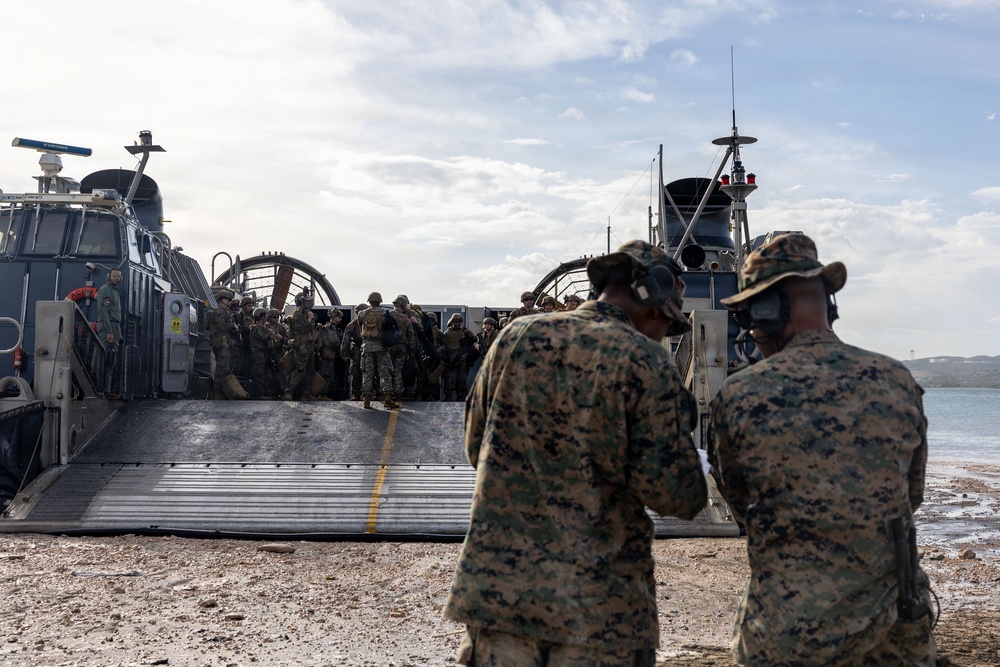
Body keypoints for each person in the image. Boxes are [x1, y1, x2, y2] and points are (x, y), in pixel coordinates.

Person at [444, 240, 708, 666]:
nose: (662, 334)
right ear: (652, 297)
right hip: (598, 610)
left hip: (501, 598)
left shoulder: (516, 337)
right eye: (666, 323)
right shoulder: (643, 360)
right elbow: (676, 495)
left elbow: (477, 449)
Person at [707, 233, 937, 667]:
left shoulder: (741, 394)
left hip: (787, 633)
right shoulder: (896, 380)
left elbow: (739, 503)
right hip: (894, 629)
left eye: (750, 316)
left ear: (768, 311)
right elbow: (912, 495)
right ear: (829, 304)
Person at [359, 292, 398, 409]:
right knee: (385, 373)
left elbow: (359, 324)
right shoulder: (386, 314)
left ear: (369, 301)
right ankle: (387, 399)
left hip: (367, 347)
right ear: (380, 301)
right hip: (381, 346)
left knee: (368, 373)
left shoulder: (362, 314)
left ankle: (366, 400)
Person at [284, 291, 323, 400]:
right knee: (300, 369)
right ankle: (288, 391)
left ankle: (305, 393)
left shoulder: (306, 314)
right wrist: (310, 319)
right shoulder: (297, 315)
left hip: (309, 345)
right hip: (302, 346)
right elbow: (302, 329)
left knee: (309, 371)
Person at [205, 289, 243, 399]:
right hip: (221, 343)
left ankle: (222, 391)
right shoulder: (219, 312)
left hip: (225, 342)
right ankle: (217, 392)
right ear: (222, 300)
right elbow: (221, 326)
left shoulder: (225, 312)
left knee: (225, 367)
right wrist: (232, 326)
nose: (230, 302)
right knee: (221, 369)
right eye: (229, 300)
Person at [96, 268, 123, 399]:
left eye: (119, 276)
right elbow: (103, 311)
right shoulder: (106, 290)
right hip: (109, 326)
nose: (117, 278)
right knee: (106, 358)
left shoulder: (115, 291)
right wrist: (109, 331)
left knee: (111, 359)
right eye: (114, 276)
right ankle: (102, 390)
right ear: (109, 277)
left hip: (115, 326)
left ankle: (107, 389)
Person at [438, 313, 477, 402]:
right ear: (452, 322)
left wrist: (470, 333)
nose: (457, 324)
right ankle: (448, 397)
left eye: (459, 322)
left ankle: (462, 398)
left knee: (461, 380)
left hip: (462, 359)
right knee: (450, 380)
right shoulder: (447, 333)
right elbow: (444, 345)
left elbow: (474, 340)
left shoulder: (463, 332)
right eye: (455, 322)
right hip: (451, 359)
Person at [387, 295, 417, 404]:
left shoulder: (387, 316)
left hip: (388, 348)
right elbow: (411, 338)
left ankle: (387, 394)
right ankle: (399, 394)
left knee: (387, 371)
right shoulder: (406, 319)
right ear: (403, 306)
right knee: (397, 371)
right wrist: (410, 352)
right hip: (401, 348)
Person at [341, 303, 369, 401]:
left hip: (366, 349)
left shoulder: (368, 322)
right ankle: (356, 394)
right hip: (358, 350)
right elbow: (346, 340)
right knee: (356, 372)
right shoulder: (353, 324)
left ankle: (366, 393)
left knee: (368, 371)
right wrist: (345, 354)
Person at [316, 309, 344, 398]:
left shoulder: (328, 327)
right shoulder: (331, 327)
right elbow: (334, 340)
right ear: (335, 317)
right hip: (328, 353)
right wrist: (342, 350)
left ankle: (321, 394)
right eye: (339, 317)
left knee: (326, 374)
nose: (340, 319)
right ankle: (322, 394)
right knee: (327, 375)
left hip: (326, 353)